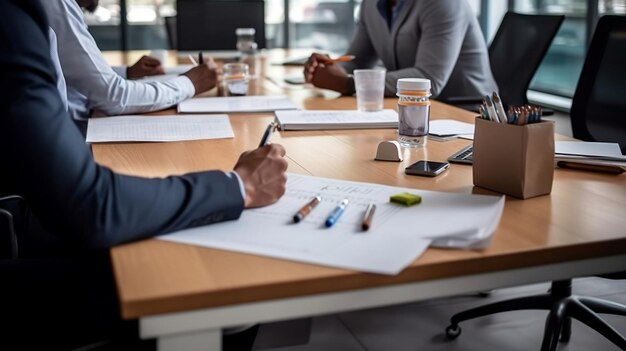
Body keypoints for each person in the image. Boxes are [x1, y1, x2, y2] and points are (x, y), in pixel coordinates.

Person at [0, 0, 287, 348]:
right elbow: (93, 205)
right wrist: (239, 186)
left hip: (25, 207)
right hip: (19, 221)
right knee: (205, 279)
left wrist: (121, 75)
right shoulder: (14, 15)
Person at [41, 0, 219, 119]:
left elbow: (71, 75)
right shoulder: (57, 3)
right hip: (65, 141)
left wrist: (126, 72)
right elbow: (113, 96)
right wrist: (191, 83)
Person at [304, 0, 498, 100]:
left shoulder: (442, 3)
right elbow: (357, 62)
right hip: (410, 109)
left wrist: (349, 84)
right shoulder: (371, 5)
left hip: (465, 115)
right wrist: (328, 68)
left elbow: (428, 79)